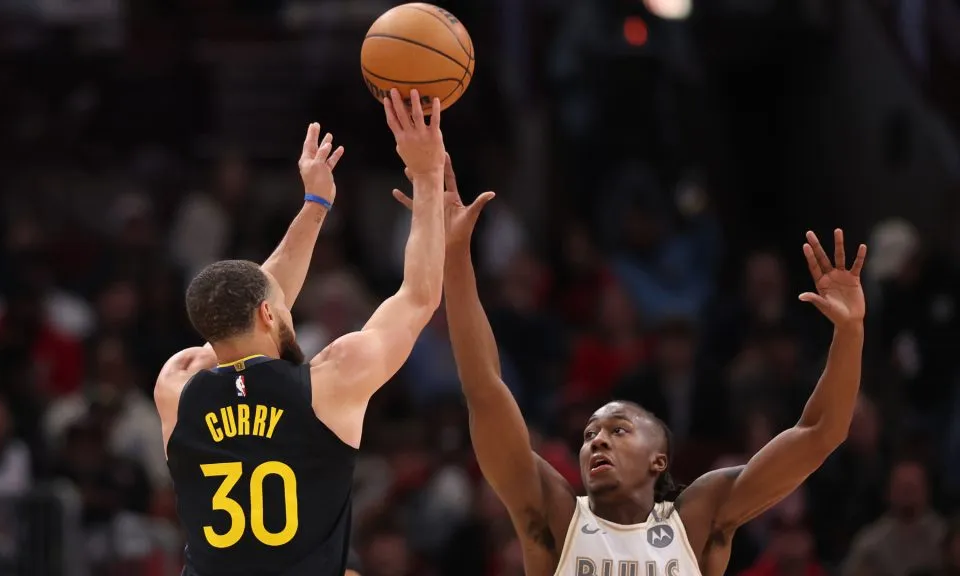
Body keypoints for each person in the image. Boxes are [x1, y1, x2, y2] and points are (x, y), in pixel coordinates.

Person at [393, 163, 867, 576]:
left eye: (618, 430)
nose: (596, 439)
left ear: (659, 460)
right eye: (589, 434)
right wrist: (455, 256)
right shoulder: (554, 515)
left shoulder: (699, 519)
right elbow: (485, 389)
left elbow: (822, 431)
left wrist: (850, 333)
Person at [155, 89, 447, 576]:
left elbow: (248, 299)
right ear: (270, 314)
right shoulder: (329, 384)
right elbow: (418, 296)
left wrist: (315, 205)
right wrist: (427, 173)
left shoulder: (177, 385)